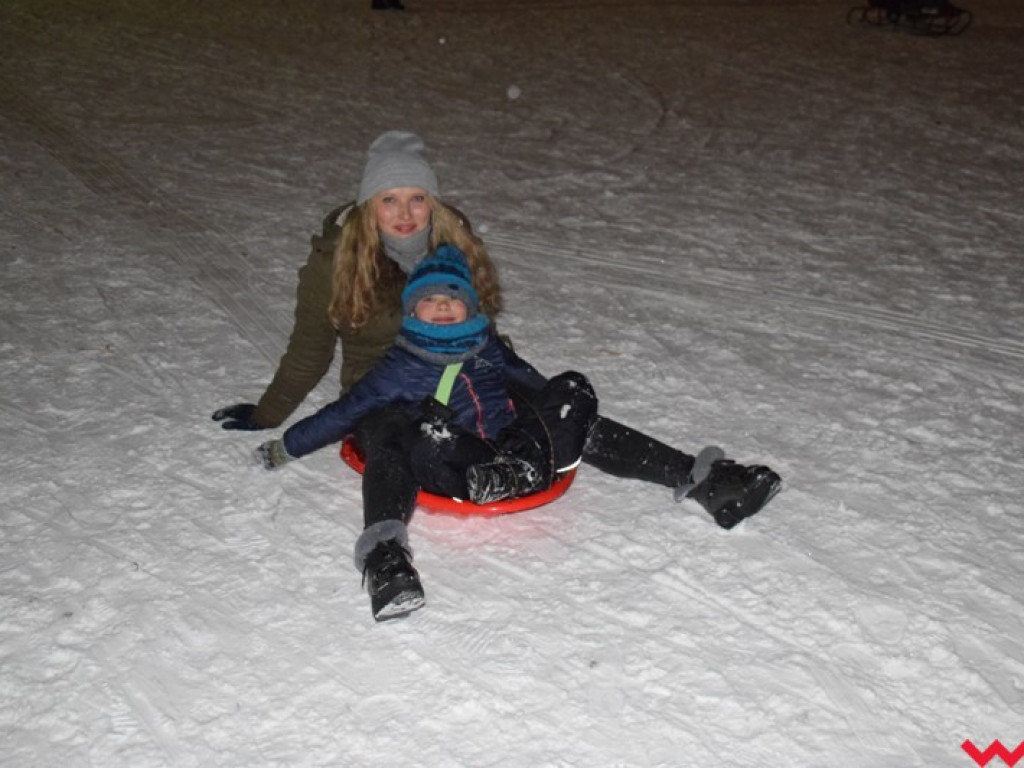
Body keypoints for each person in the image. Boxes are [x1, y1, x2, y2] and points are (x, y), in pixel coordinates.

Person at [252, 244, 781, 620]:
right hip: (456, 458)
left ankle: (706, 481)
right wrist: (285, 447)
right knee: (414, 433)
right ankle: (387, 563)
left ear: (469, 308)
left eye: (451, 300)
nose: (441, 308)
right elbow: (344, 413)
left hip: (513, 450)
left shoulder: (488, 349)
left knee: (572, 392)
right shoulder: (398, 366)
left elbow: (537, 387)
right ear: (412, 310)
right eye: (429, 301)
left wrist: (561, 417)